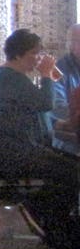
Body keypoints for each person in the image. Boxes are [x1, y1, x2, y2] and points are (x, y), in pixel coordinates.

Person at [0, 28, 80, 247]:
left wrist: (61, 124)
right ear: (19, 54)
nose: (38, 59)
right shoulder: (10, 78)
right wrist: (47, 75)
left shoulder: (14, 78)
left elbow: (33, 112)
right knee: (74, 172)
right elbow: (45, 104)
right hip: (21, 153)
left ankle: (58, 222)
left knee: (73, 166)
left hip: (30, 149)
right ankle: (50, 220)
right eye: (34, 54)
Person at [54, 23, 80, 155]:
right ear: (69, 45)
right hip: (69, 140)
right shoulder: (59, 69)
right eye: (77, 41)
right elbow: (58, 107)